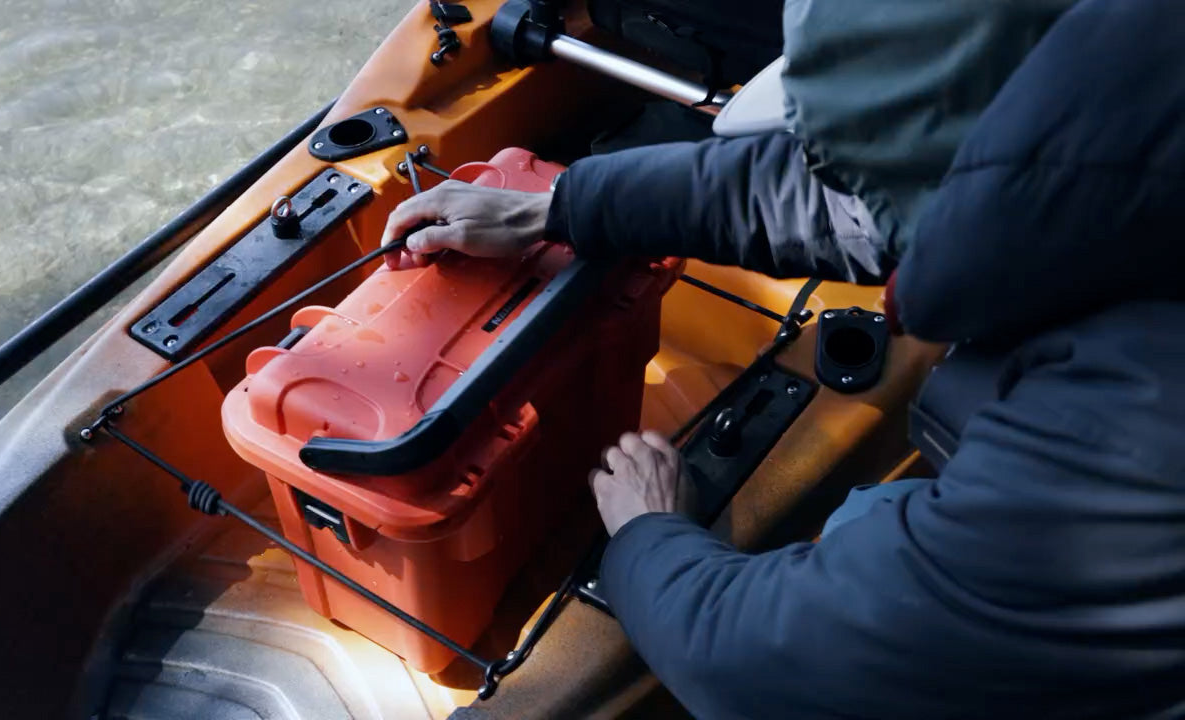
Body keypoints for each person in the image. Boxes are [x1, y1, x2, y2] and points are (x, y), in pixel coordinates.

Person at [383, 0, 1185, 717]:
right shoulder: (1124, 94)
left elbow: (764, 669)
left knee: (865, 518)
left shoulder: (1120, 451)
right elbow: (848, 200)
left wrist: (646, 534)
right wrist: (564, 207)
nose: (831, 174)